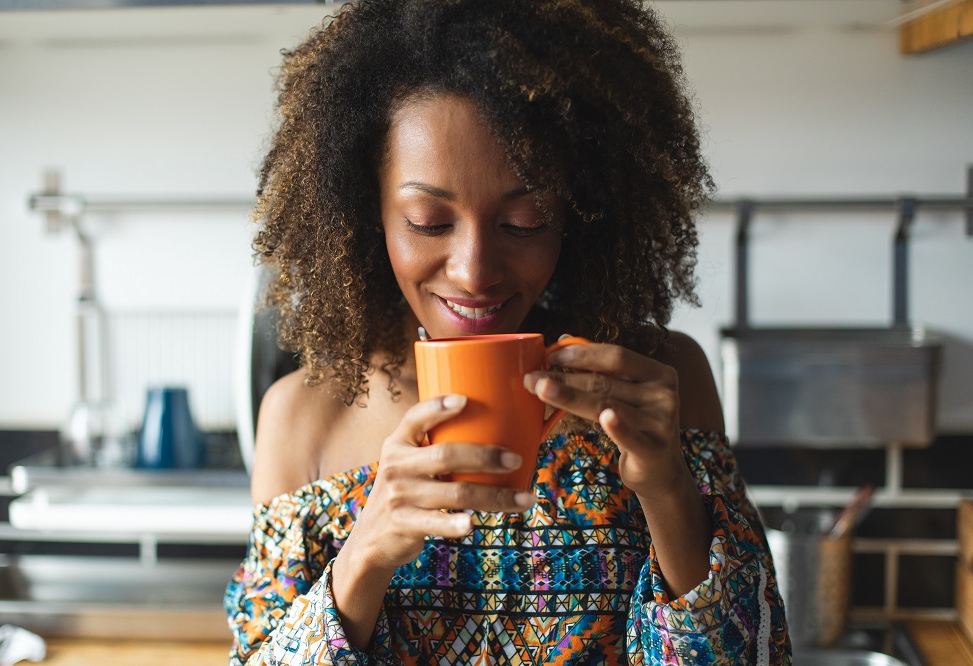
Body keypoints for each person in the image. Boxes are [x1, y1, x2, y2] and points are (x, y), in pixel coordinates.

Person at [225, 0, 791, 663]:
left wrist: (667, 489)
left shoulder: (660, 384)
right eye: (429, 220)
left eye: (523, 222)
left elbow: (755, 657)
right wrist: (364, 556)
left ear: (579, 215)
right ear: (364, 210)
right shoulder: (303, 418)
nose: (474, 271)